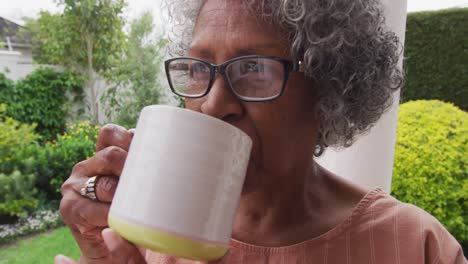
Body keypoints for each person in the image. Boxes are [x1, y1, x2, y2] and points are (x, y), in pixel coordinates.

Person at [55, 0, 467, 263]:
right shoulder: (147, 228)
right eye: (199, 67)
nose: (214, 104)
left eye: (253, 68)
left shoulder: (415, 247)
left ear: (331, 89)